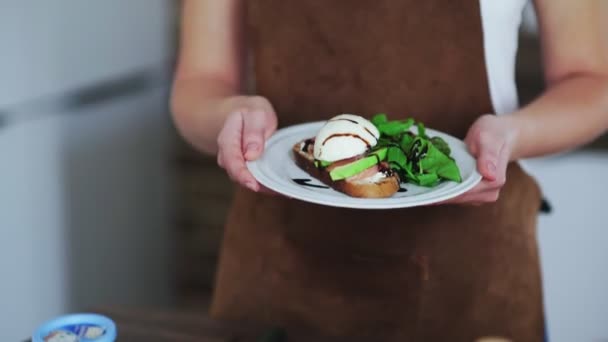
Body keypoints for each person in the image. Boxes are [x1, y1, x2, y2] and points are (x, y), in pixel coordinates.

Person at [171, 1, 608, 341]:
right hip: (278, 265)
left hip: (470, 272)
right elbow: (200, 81)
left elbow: (591, 80)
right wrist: (230, 116)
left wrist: (513, 135)